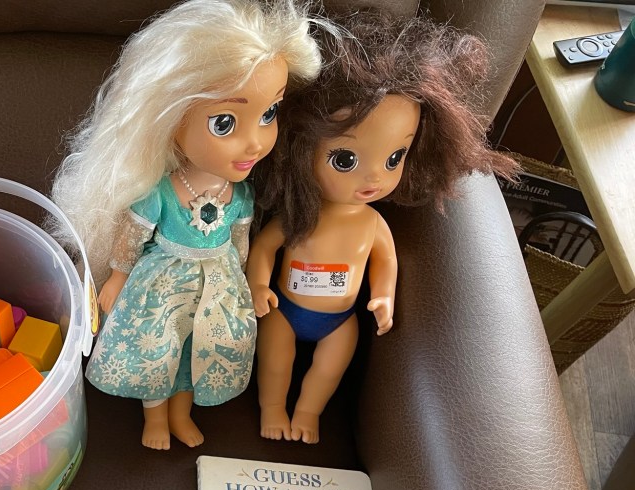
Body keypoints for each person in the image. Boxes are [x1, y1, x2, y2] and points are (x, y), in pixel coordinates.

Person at [52, 0, 322, 449]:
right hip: (162, 286)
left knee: (194, 353)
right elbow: (134, 235)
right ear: (170, 121)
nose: (255, 141)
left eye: (268, 114)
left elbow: (240, 242)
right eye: (225, 122)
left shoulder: (240, 194)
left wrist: (249, 284)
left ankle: (180, 414)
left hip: (218, 288)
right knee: (159, 350)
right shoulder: (161, 191)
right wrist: (117, 277)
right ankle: (155, 419)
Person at [248, 10, 518, 443]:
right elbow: (264, 247)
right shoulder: (300, 214)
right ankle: (273, 409)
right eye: (345, 160)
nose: (374, 177)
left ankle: (308, 413)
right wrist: (260, 285)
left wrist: (383, 297)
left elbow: (385, 262)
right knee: (275, 361)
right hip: (284, 309)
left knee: (329, 368)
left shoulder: (373, 223)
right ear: (302, 148)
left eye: (394, 158)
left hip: (339, 320)